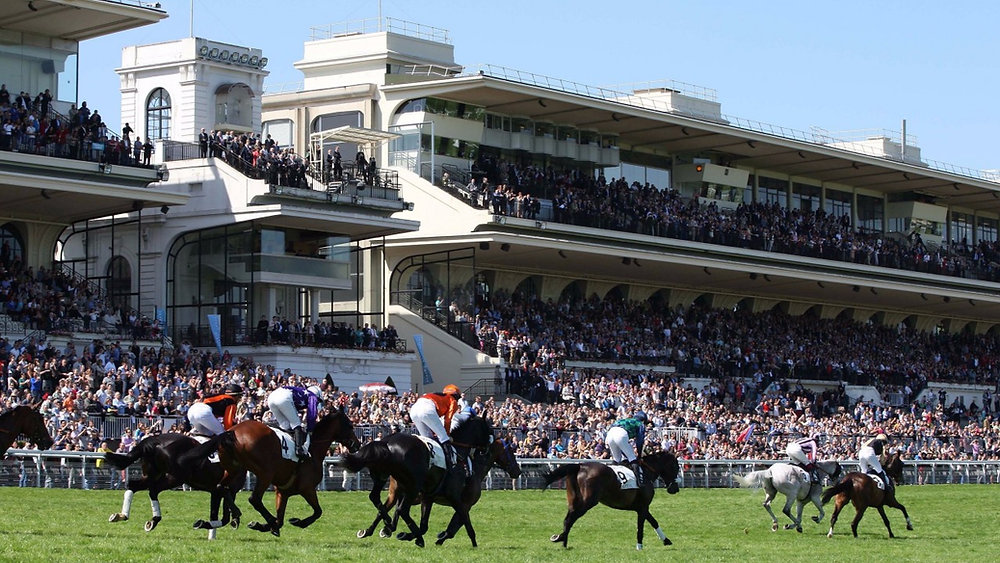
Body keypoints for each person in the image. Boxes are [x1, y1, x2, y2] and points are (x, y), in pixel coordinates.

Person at [409, 383, 463, 474]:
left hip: (414, 410)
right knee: (444, 439)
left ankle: (426, 462)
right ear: (456, 396)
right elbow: (447, 420)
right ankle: (450, 466)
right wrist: (446, 434)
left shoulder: (436, 395)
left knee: (428, 440)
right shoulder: (452, 401)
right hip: (427, 410)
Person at [267, 384, 322, 461]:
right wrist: (310, 429)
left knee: (285, 426)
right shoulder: (312, 396)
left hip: (271, 397)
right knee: (296, 424)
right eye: (318, 401)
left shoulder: (302, 392)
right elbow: (312, 414)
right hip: (284, 398)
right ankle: (299, 450)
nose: (317, 403)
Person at [605, 411, 648, 486]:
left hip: (610, 433)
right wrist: (639, 455)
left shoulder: (626, 419)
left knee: (616, 459)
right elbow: (640, 441)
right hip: (621, 434)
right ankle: (639, 482)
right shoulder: (640, 424)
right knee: (632, 458)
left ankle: (610, 480)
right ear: (643, 420)